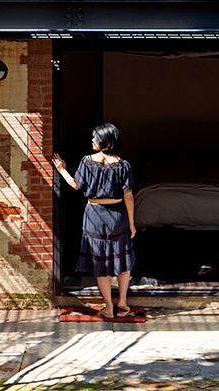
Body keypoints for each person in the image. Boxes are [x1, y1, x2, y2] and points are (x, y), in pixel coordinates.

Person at [52, 122, 137, 319]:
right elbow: (129, 196)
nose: (92, 140)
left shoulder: (87, 161)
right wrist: (132, 223)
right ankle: (122, 302)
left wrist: (62, 169)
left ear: (104, 141)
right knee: (122, 258)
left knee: (100, 263)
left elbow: (75, 185)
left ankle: (109, 307)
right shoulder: (124, 165)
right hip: (118, 215)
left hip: (95, 214)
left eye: (95, 138)